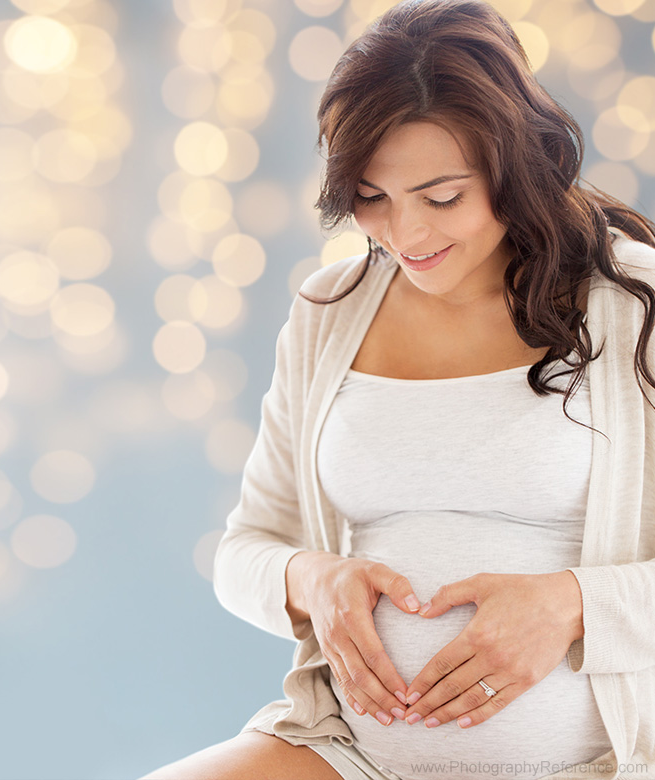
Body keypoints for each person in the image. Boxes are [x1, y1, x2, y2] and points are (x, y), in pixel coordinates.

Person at [140, 1, 655, 779]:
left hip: (596, 761)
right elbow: (244, 551)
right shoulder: (330, 311)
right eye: (372, 198)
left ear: (518, 163)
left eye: (441, 197)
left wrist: (574, 604)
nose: (405, 235)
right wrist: (312, 580)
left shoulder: (633, 303)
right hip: (350, 754)